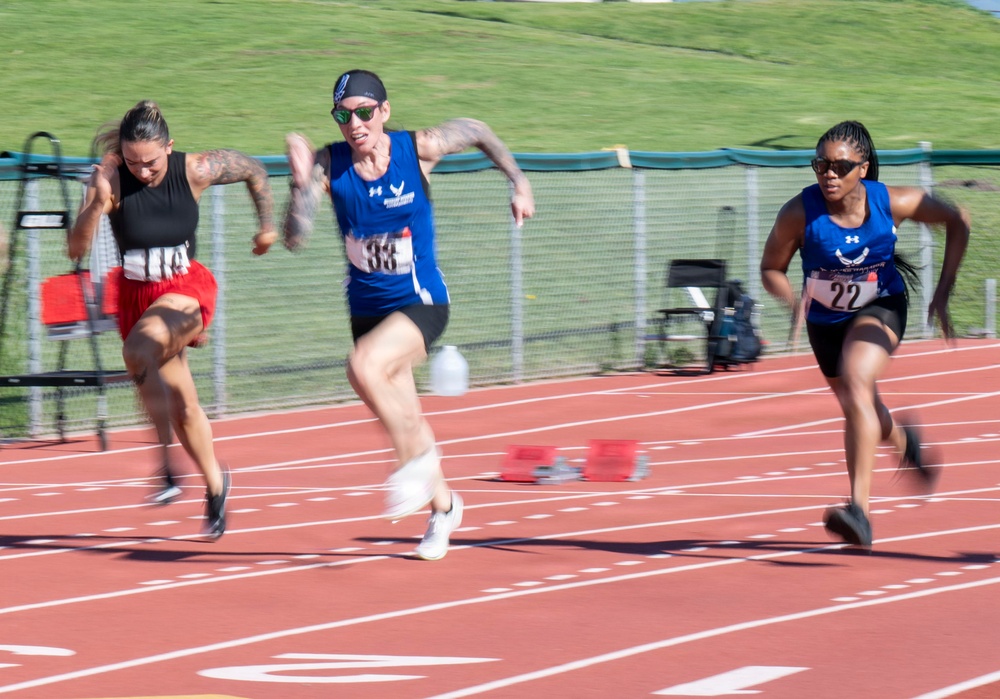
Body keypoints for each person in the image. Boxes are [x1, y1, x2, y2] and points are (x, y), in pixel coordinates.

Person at [283, 69, 535, 560]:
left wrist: (519, 182)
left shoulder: (415, 149)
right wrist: (298, 186)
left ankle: (409, 469)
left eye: (363, 112)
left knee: (362, 367)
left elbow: (478, 130)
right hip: (367, 310)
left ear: (384, 111)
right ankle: (445, 508)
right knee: (409, 418)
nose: (354, 124)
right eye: (342, 116)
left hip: (421, 302)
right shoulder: (327, 165)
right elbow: (295, 238)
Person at [68, 100, 278, 539]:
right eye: (132, 162)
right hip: (137, 297)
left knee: (137, 350)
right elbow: (75, 249)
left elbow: (254, 169)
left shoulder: (195, 170)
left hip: (184, 288)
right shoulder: (108, 178)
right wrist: (96, 206)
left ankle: (165, 462)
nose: (142, 171)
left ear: (170, 147)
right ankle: (216, 486)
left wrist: (267, 227)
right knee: (184, 406)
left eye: (151, 162)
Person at [760, 120, 969, 549]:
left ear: (863, 167)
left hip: (881, 307)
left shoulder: (893, 202)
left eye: (839, 166)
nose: (829, 174)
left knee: (858, 382)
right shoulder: (799, 213)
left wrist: (943, 292)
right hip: (825, 324)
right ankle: (902, 439)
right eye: (821, 165)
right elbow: (771, 269)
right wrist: (791, 302)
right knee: (861, 406)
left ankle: (859, 511)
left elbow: (957, 219)